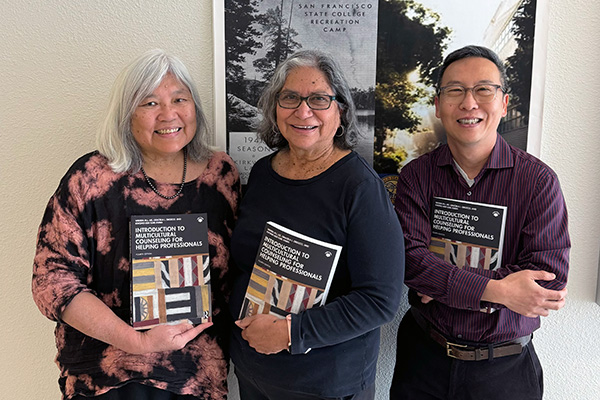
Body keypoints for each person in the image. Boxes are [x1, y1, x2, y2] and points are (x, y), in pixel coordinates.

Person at [32, 49, 240, 400]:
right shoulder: (92, 179)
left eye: (179, 99)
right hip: (106, 377)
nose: (168, 114)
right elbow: (51, 282)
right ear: (126, 113)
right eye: (149, 103)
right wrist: (137, 341)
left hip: (197, 377)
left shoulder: (220, 175)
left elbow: (236, 269)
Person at [390, 45, 570, 400]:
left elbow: (547, 281)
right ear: (439, 106)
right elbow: (409, 260)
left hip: (504, 371)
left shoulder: (538, 181)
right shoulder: (416, 176)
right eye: (455, 90)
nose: (469, 103)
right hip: (423, 359)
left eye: (483, 90)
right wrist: (501, 291)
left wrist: (442, 281)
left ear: (503, 103)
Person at [228, 50, 405, 400]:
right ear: (275, 108)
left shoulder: (360, 188)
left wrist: (292, 333)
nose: (303, 111)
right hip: (254, 373)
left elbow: (381, 299)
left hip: (325, 384)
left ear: (340, 111)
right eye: (290, 97)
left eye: (319, 99)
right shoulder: (263, 173)